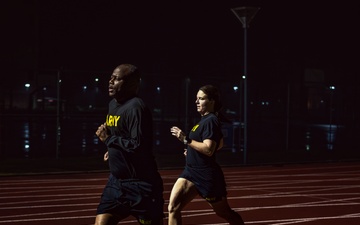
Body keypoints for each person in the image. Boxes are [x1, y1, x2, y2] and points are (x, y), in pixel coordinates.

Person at [94, 64, 164, 225]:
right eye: (111, 77)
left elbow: (138, 145)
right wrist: (111, 150)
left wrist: (109, 140)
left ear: (133, 84)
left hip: (141, 185)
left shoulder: (136, 108)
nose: (110, 82)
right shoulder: (112, 105)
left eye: (117, 79)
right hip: (116, 183)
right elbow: (118, 135)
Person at [168, 84, 245, 225]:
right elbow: (219, 144)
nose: (196, 102)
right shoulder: (204, 120)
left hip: (206, 176)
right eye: (196, 99)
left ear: (211, 101)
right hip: (190, 172)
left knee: (224, 213)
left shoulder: (211, 120)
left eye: (201, 99)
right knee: (173, 208)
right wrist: (192, 152)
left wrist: (185, 139)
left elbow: (209, 149)